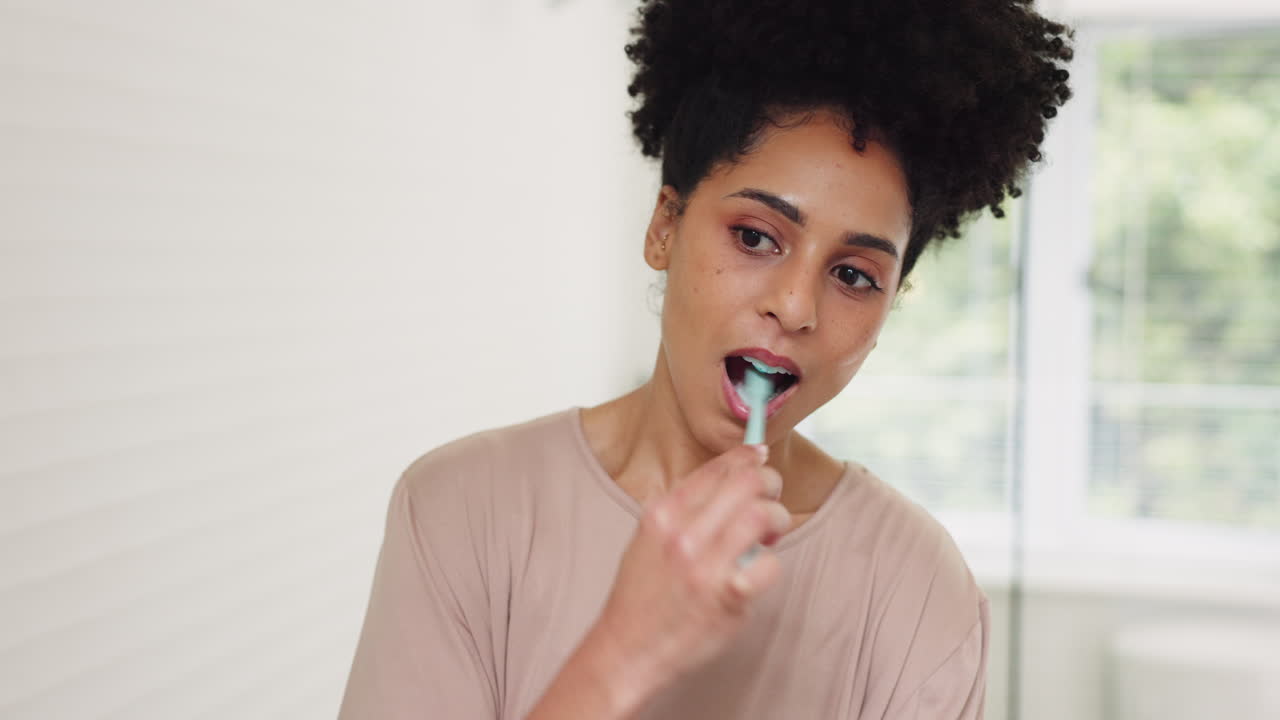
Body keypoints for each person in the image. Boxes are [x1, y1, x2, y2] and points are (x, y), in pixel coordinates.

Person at [338, 1, 1073, 718]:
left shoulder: (919, 594)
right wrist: (623, 654)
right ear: (665, 227)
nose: (796, 305)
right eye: (755, 236)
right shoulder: (460, 511)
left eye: (854, 275)